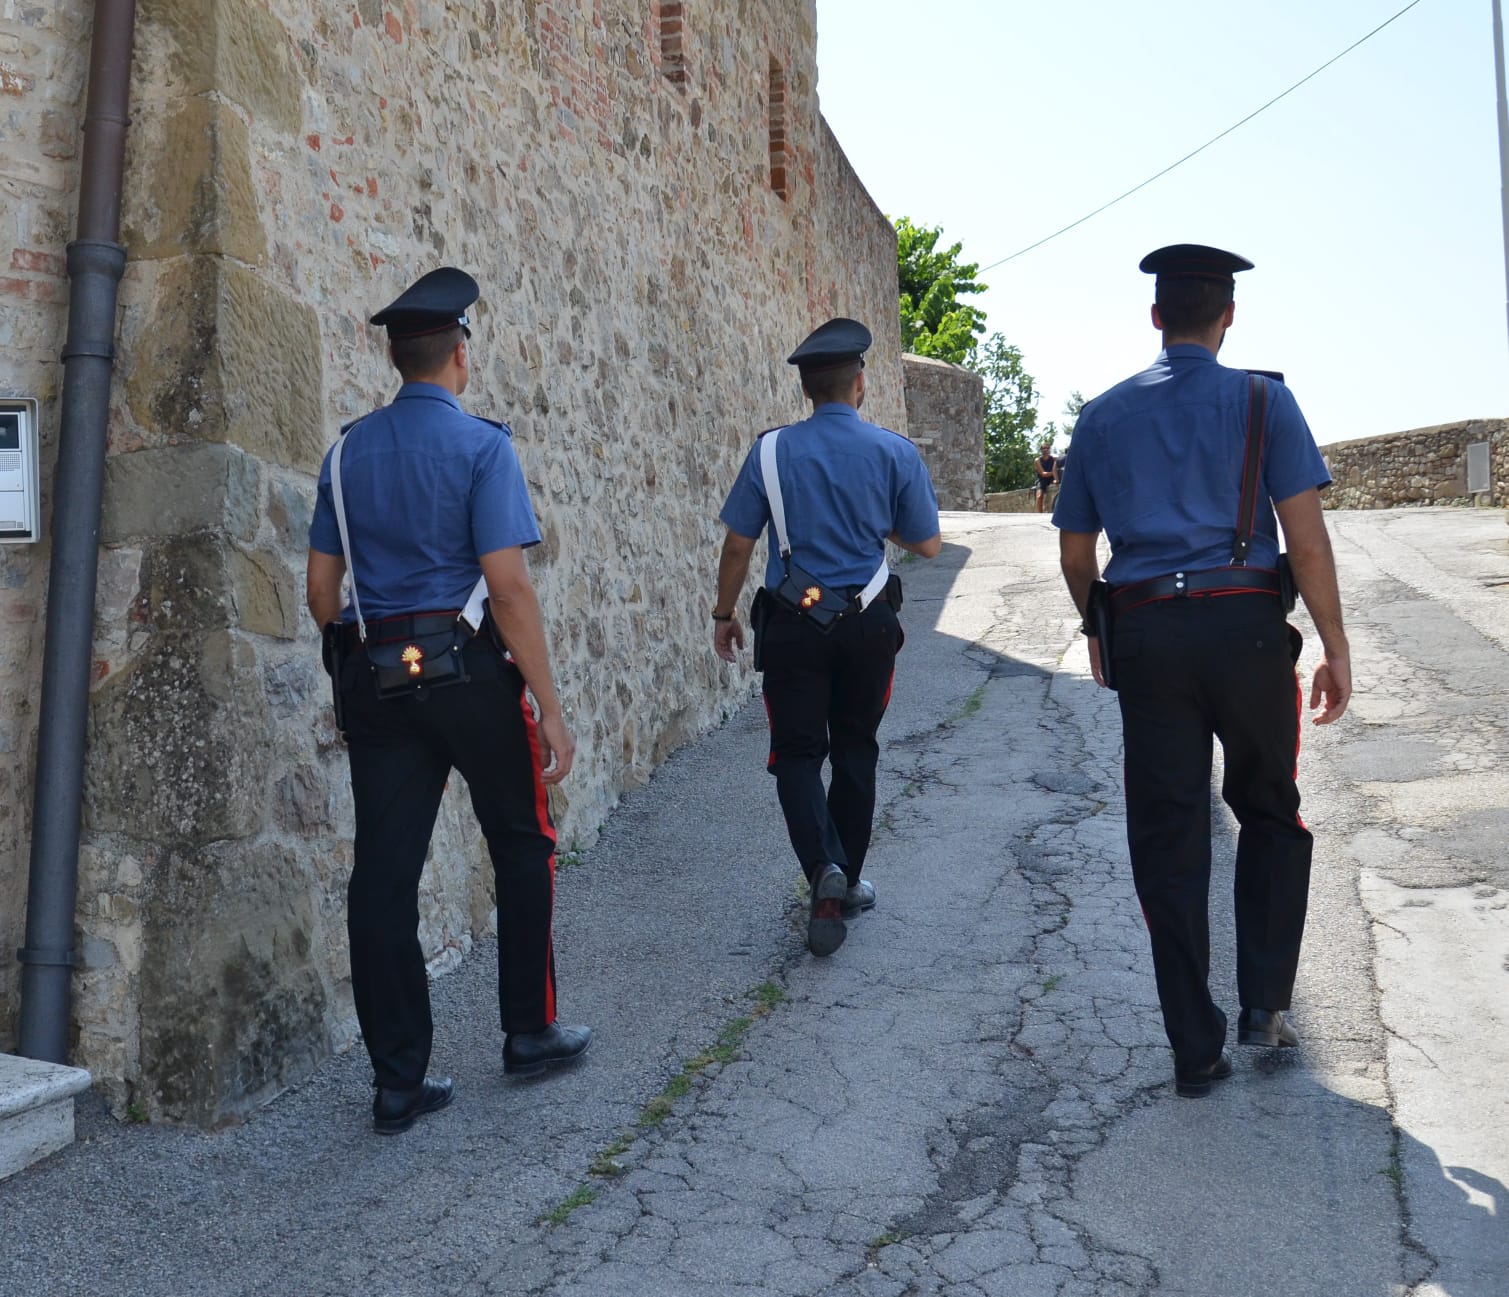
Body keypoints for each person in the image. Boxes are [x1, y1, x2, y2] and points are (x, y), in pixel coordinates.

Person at [1053, 244, 1352, 1098]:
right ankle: (1264, 1005)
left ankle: (1194, 1046)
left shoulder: (1102, 416)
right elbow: (1305, 536)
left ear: (1155, 318)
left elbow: (1078, 552)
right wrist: (1332, 644)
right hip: (1247, 629)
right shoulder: (1266, 400)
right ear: (1227, 317)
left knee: (1168, 839)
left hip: (1147, 633)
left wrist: (1099, 625)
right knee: (1268, 810)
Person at [306, 267, 591, 1134]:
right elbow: (507, 588)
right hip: (468, 670)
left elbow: (323, 592)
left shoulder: (346, 451)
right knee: (521, 840)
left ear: (398, 358)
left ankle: (398, 1080)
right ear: (458, 355)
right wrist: (549, 701)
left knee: (384, 875)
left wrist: (361, 653)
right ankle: (528, 1030)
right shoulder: (482, 447)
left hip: (380, 678)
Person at [711, 318, 942, 956]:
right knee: (857, 749)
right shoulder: (896, 453)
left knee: (796, 754)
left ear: (807, 389)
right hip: (869, 624)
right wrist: (876, 525)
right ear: (859, 383)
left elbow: (738, 542)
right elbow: (926, 543)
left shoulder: (769, 452)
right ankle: (847, 876)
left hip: (792, 623)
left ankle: (823, 870)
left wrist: (722, 612)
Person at [1033, 443, 1059, 513]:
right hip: (1042, 480)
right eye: (1044, 448)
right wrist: (1053, 473)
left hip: (1052, 479)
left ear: (1049, 449)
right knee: (1039, 495)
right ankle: (1039, 514)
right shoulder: (1037, 460)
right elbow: (1043, 474)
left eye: (1047, 448)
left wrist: (1056, 478)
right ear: (1041, 450)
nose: (1045, 449)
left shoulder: (1054, 459)